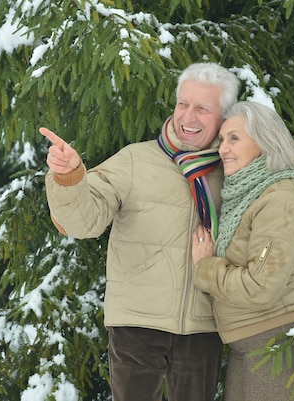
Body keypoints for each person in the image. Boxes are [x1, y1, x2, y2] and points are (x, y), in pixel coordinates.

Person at [40, 62, 239, 401]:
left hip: (204, 325)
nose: (188, 117)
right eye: (182, 104)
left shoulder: (235, 171)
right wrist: (70, 178)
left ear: (225, 116)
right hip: (137, 324)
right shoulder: (135, 161)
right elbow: (83, 221)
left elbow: (269, 216)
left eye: (203, 108)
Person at [191, 101, 294, 401]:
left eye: (234, 138)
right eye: (222, 139)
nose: (223, 148)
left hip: (273, 342)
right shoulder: (252, 194)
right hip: (254, 343)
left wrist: (205, 267)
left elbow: (260, 288)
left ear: (265, 142)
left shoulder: (279, 198)